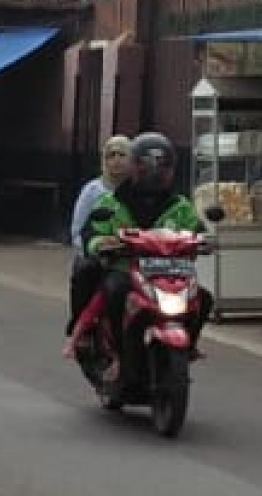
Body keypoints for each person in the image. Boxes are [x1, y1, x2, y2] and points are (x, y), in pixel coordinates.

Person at [79, 131, 214, 370]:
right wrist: (101, 243)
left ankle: (188, 345)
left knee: (204, 298)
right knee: (115, 290)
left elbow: (197, 230)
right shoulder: (112, 202)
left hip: (170, 273)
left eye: (161, 168)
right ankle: (117, 355)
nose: (154, 173)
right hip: (126, 271)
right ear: (135, 168)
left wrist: (204, 241)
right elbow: (91, 231)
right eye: (146, 167)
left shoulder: (180, 206)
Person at [64, 135, 132, 342]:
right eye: (111, 155)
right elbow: (77, 230)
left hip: (131, 255)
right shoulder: (93, 190)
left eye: (122, 155)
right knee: (85, 270)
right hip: (97, 253)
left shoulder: (138, 190)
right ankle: (81, 326)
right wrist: (96, 247)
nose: (117, 160)